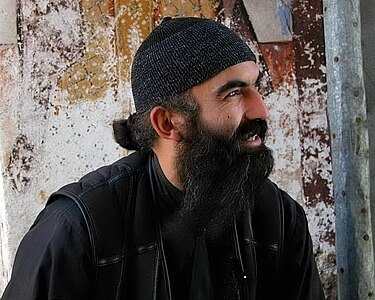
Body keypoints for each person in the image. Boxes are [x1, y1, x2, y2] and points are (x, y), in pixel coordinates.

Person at [2, 17, 325, 300]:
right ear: (167, 123)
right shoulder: (77, 232)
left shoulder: (280, 219)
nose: (261, 110)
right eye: (233, 92)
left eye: (257, 87)